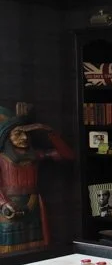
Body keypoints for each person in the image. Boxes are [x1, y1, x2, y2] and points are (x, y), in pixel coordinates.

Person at [0, 103, 73, 254]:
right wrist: (5, 204)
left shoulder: (36, 155)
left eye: (26, 133)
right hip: (9, 206)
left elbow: (68, 155)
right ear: (7, 137)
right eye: (18, 134)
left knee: (35, 248)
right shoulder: (2, 158)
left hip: (33, 203)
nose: (24, 137)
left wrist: (49, 131)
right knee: (10, 248)